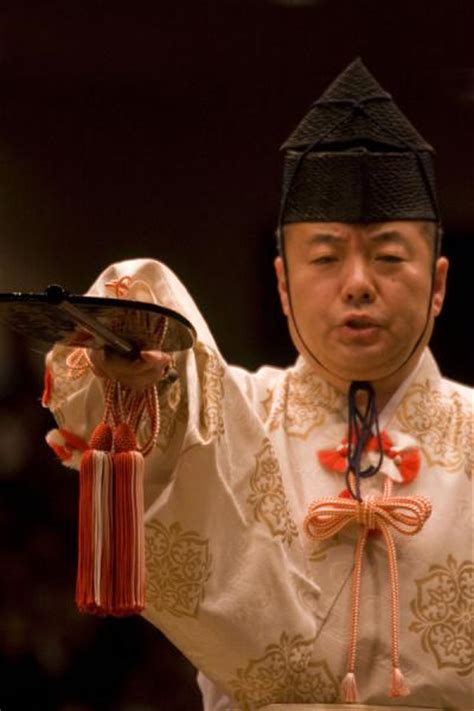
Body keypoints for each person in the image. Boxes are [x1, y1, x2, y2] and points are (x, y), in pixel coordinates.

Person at [43, 59, 472, 710]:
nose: (358, 282)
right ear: (282, 282)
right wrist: (136, 371)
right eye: (325, 257)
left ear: (438, 282)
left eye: (388, 256)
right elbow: (181, 387)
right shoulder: (236, 415)